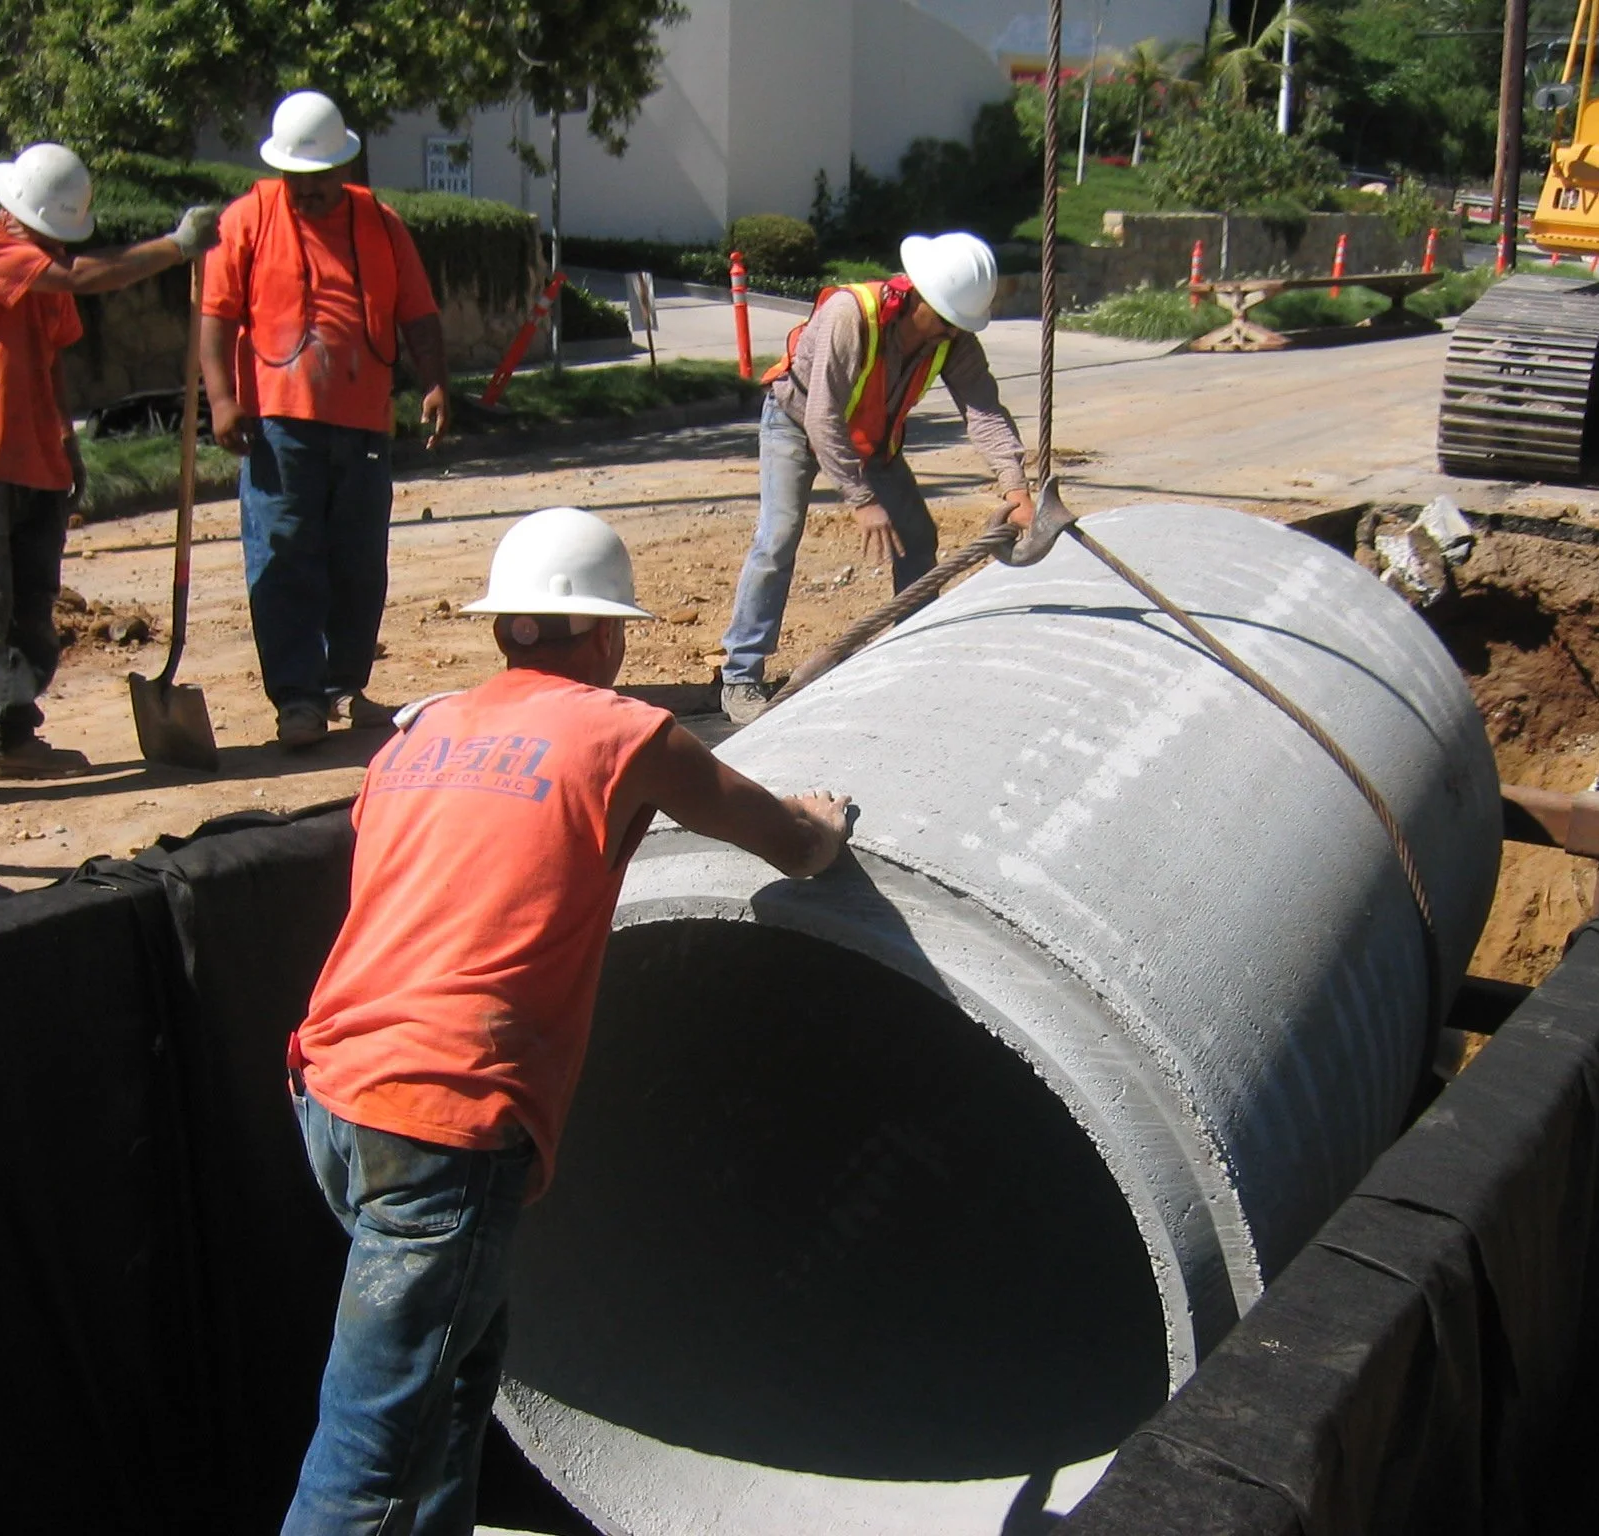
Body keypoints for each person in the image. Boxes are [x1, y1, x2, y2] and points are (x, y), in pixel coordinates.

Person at [282, 506, 852, 1532]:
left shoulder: (418, 733)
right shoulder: (627, 735)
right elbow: (787, 844)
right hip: (439, 1124)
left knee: (455, 1385)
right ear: (602, 633)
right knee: (369, 1463)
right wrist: (822, 820)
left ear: (507, 626)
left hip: (330, 1094)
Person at [0, 143, 221, 814]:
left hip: (35, 460)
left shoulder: (40, 267)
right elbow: (79, 278)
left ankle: (8, 735)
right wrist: (174, 246)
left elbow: (51, 357)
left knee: (31, 613)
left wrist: (65, 440)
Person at [201, 90, 453, 750]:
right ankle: (298, 697)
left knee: (358, 560)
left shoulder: (380, 222)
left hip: (364, 422)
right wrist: (223, 401)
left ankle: (344, 684)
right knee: (285, 556)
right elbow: (217, 317)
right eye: (296, 181)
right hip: (280, 424)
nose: (306, 193)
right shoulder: (248, 218)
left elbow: (418, 312)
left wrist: (433, 382)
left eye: (318, 182)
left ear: (342, 169)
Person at [717, 231, 1037, 725]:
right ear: (918, 295)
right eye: (946, 320)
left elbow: (984, 410)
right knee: (777, 538)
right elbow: (823, 416)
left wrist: (1016, 487)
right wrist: (861, 499)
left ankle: (916, 654)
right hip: (797, 423)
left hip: (872, 439)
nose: (950, 333)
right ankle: (740, 674)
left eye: (959, 324)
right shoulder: (852, 315)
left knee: (917, 536)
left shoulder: (953, 339)